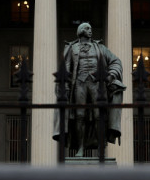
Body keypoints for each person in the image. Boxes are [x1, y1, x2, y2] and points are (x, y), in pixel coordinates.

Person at [53, 23, 126, 156]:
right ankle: (80, 147)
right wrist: (65, 86)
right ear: (80, 31)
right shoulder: (71, 48)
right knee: (80, 115)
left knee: (99, 115)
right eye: (87, 28)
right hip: (79, 83)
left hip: (97, 83)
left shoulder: (100, 48)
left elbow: (116, 61)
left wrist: (111, 76)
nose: (90, 30)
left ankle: (100, 147)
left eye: (91, 28)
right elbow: (66, 69)